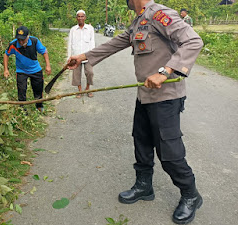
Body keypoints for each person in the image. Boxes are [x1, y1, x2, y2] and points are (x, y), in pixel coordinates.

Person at [68, 0, 203, 224]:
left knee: (169, 151)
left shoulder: (159, 14)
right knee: (141, 142)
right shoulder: (139, 19)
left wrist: (165, 71)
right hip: (145, 96)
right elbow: (113, 44)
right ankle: (144, 186)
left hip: (166, 97)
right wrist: (82, 58)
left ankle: (190, 195)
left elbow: (193, 41)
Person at [3, 26, 51, 112]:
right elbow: (6, 54)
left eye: (23, 39)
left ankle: (39, 106)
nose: (21, 42)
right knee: (21, 90)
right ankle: (22, 110)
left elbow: (44, 51)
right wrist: (6, 69)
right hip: (21, 71)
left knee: (38, 89)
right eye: (19, 39)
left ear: (27, 37)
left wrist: (48, 65)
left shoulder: (34, 41)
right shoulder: (13, 44)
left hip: (35, 69)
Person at [68, 10, 95, 98]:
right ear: (76, 18)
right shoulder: (73, 30)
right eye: (78, 16)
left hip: (87, 56)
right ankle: (80, 90)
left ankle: (87, 88)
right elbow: (70, 44)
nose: (80, 18)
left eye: (82, 16)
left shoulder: (90, 29)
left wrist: (92, 55)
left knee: (90, 72)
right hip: (76, 56)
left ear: (85, 17)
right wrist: (69, 57)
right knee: (76, 74)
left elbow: (92, 42)